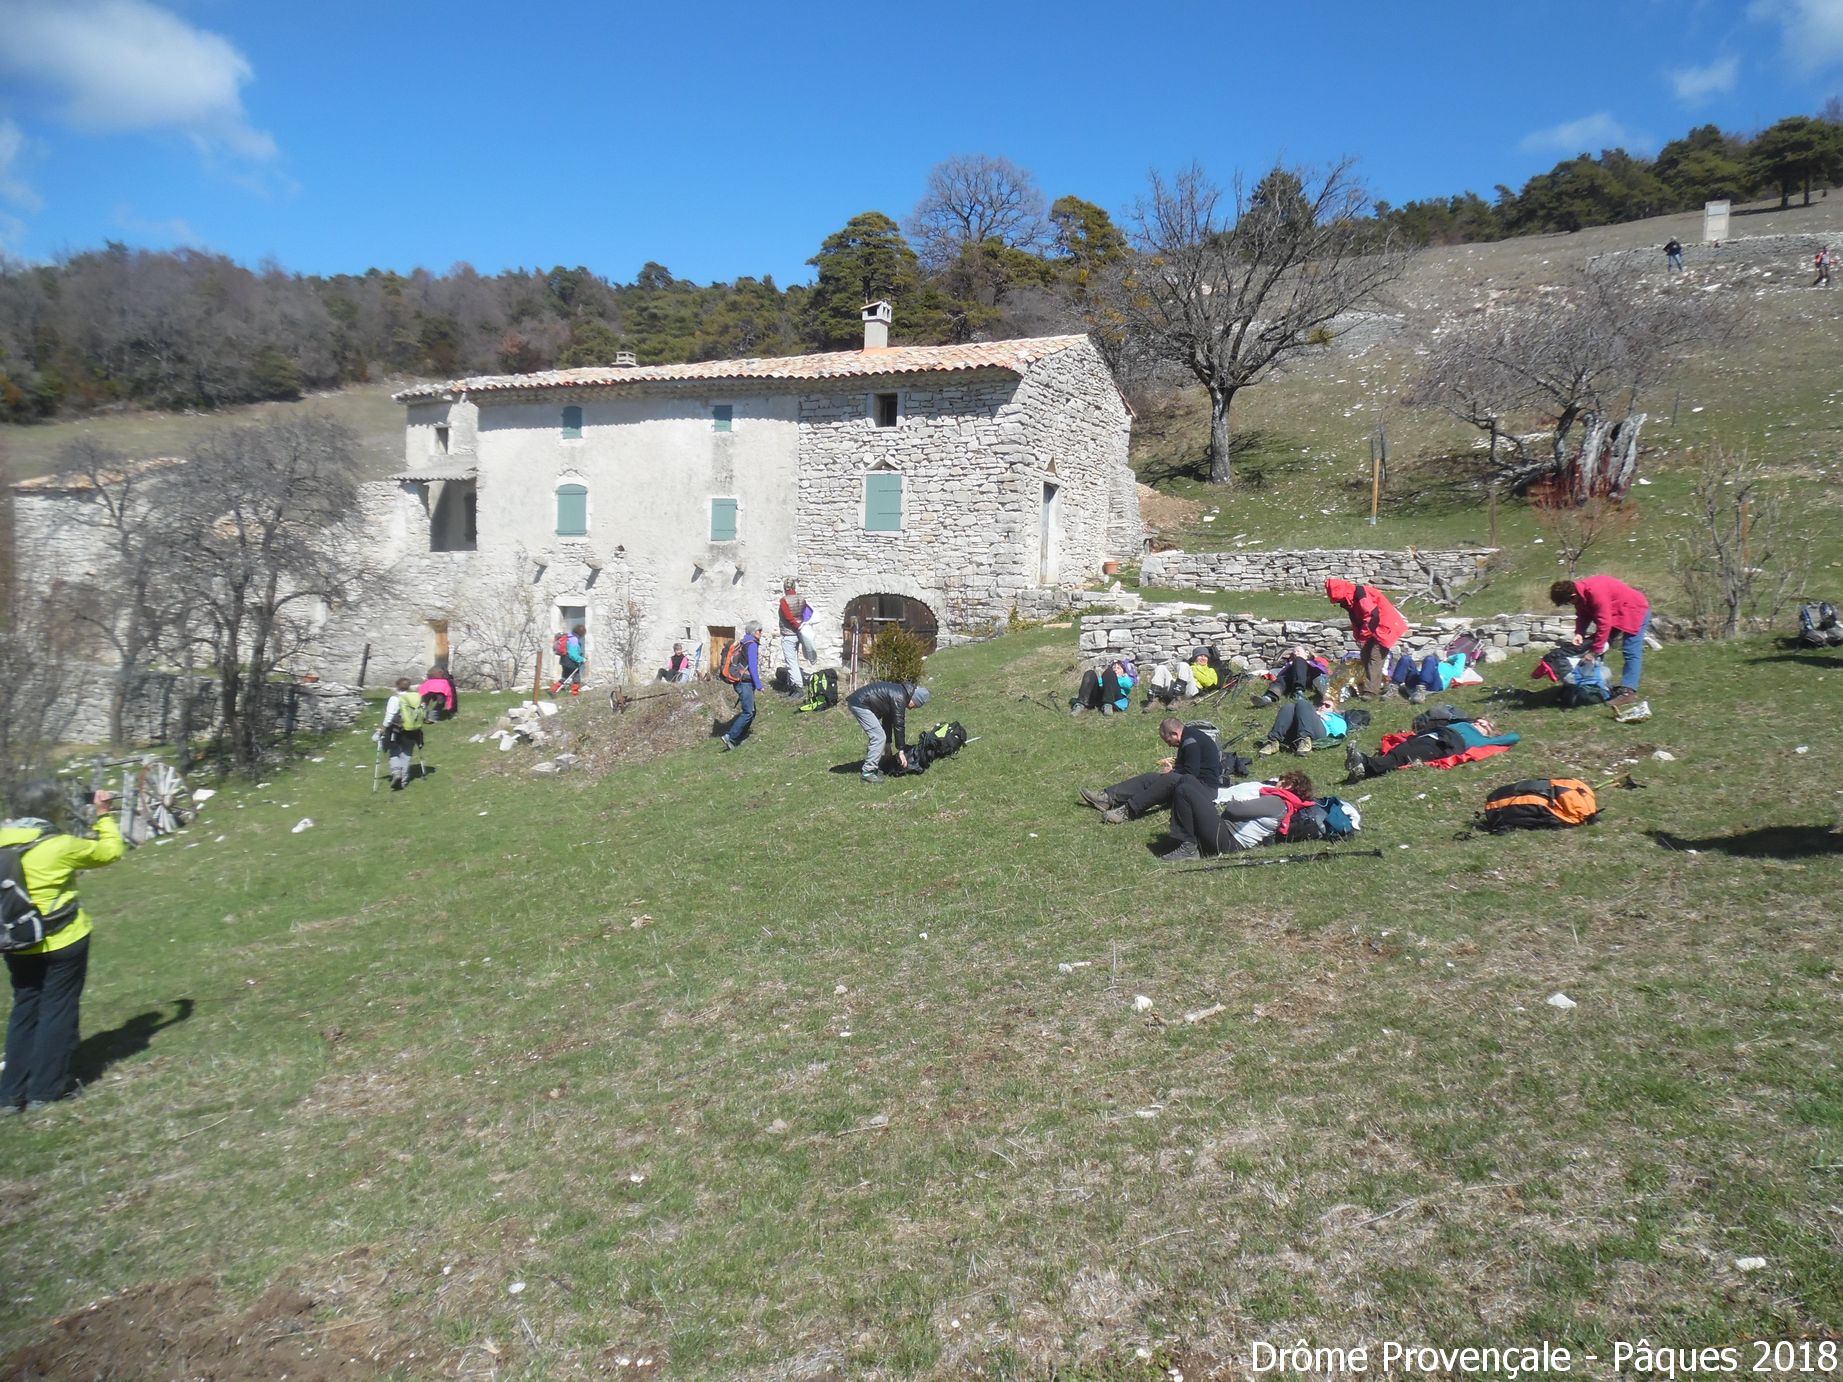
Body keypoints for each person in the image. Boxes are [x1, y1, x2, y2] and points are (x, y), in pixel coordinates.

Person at [1, 780, 125, 1113]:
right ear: (52, 810)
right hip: (63, 939)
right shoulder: (60, 845)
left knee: (25, 1009)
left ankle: (10, 1095)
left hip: (16, 942)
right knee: (57, 1010)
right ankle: (45, 1091)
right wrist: (104, 815)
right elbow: (111, 851)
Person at [1077, 717, 1223, 824]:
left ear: (1174, 733)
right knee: (1152, 777)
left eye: (1168, 741)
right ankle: (1106, 798)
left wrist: (1172, 773)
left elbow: (1190, 774)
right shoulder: (1188, 738)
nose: (1169, 745)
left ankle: (1128, 811)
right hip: (1195, 785)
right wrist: (1173, 770)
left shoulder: (1190, 742)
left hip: (1206, 791)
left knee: (1170, 779)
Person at [1164, 769, 1315, 861]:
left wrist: (1232, 802)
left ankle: (1188, 849)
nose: (1277, 781)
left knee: (1185, 790)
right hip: (1225, 832)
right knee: (1188, 780)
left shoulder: (1277, 802)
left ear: (1289, 785)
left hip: (1227, 840)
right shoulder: (1280, 802)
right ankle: (1181, 841)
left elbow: (1235, 810)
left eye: (1282, 779)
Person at [1550, 575, 1650, 702]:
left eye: (1568, 602)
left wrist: (1594, 652)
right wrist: (1579, 633)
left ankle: (1628, 691)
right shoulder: (1579, 595)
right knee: (1595, 644)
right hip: (1616, 612)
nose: (1570, 604)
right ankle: (1595, 683)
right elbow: (1582, 615)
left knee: (1631, 650)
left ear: (1573, 595)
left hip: (1635, 609)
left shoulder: (1596, 592)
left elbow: (1604, 624)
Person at [1343, 716, 1519, 781]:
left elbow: (1514, 737)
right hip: (1429, 736)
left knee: (1400, 759)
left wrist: (1492, 735)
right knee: (1397, 753)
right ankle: (1362, 770)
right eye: (1478, 721)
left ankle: (1362, 760)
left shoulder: (1482, 740)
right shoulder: (1463, 723)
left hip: (1440, 745)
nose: (1478, 723)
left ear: (1490, 732)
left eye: (1483, 725)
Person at [1324, 578, 1408, 699]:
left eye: (1339, 600)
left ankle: (1370, 691)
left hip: (1385, 626)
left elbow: (1371, 616)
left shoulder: (1362, 595)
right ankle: (1376, 683)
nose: (1339, 603)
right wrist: (1359, 637)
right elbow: (1357, 619)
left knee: (1375, 656)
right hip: (1374, 628)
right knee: (1365, 655)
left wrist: (1363, 637)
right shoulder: (1352, 599)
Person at [845, 679, 929, 783]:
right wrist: (901, 751)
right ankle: (868, 772)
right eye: (915, 705)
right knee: (878, 737)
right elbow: (899, 725)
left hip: (859, 701)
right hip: (860, 703)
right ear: (914, 699)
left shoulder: (900, 692)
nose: (912, 708)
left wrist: (888, 746)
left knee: (879, 735)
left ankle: (873, 768)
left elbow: (887, 721)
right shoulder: (900, 697)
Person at [718, 621, 763, 751]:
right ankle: (730, 736)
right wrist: (759, 685)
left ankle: (736, 740)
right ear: (754, 631)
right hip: (745, 682)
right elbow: (753, 667)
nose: (761, 633)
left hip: (740, 681)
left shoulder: (744, 642)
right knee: (748, 712)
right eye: (759, 630)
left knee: (751, 712)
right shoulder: (752, 645)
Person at [1256, 696, 1350, 757]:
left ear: (1334, 710)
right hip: (1296, 732)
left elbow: (1338, 732)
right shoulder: (1310, 713)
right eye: (1321, 704)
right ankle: (1273, 742)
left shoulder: (1336, 718)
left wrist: (1323, 717)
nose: (1322, 706)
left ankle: (1305, 740)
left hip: (1319, 732)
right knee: (1289, 707)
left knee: (1303, 703)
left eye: (1327, 705)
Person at [382, 677, 425, 789]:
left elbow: (390, 715)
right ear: (409, 686)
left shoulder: (395, 699)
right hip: (413, 730)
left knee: (394, 752)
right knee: (407, 754)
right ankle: (403, 782)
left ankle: (397, 773)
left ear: (397, 686)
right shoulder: (416, 697)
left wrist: (383, 728)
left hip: (397, 730)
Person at [1387, 647, 1469, 704]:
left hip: (1434, 685)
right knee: (1406, 659)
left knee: (1430, 658)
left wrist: (1448, 658)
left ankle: (1420, 692)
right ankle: (1394, 688)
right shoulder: (1436, 663)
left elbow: (1462, 655)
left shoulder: (1456, 669)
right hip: (1418, 680)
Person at [1251, 647, 1329, 706]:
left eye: (1298, 651)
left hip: (1311, 678)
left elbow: (1324, 670)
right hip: (1292, 679)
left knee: (1299, 660)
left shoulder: (1316, 661)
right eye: (1294, 652)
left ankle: (1298, 692)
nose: (1295, 653)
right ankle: (1268, 698)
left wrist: (1303, 662)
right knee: (1282, 678)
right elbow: (1276, 672)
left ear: (1307, 652)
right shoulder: (1289, 664)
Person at [1071, 659, 1135, 715]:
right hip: (1100, 695)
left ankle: (1108, 705)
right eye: (1114, 667)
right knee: (1090, 673)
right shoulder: (1104, 677)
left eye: (1118, 668)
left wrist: (1115, 678)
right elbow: (1098, 683)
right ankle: (1080, 704)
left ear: (1123, 672)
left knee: (1109, 672)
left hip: (1114, 696)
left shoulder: (1125, 679)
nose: (1115, 669)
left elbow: (1128, 685)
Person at [550, 625, 586, 697]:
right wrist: (582, 659)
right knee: (576, 678)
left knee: (565, 677)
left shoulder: (569, 636)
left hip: (564, 660)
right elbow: (573, 655)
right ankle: (575, 694)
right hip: (571, 662)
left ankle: (553, 690)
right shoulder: (574, 640)